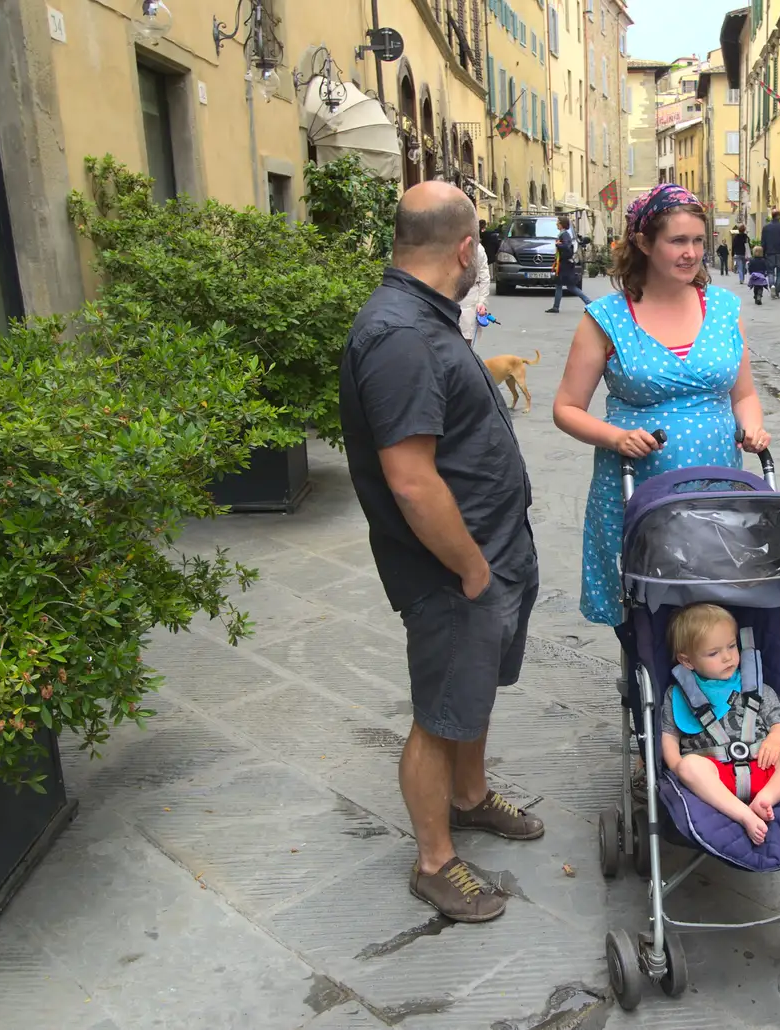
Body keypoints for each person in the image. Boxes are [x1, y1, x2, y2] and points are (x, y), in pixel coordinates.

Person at [340, 182, 543, 923]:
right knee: (439, 711)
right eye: (481, 244)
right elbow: (411, 479)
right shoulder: (399, 335)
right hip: (453, 567)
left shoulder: (425, 316)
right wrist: (469, 565)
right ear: (465, 248)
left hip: (491, 547)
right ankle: (434, 859)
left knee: (473, 693)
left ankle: (469, 795)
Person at [551, 182, 771, 633]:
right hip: (637, 486)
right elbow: (566, 407)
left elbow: (744, 394)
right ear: (644, 242)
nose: (691, 253)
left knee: (716, 609)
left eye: (697, 241)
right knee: (645, 611)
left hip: (716, 486)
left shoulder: (725, 309)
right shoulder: (607, 318)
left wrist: (752, 427)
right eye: (677, 241)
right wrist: (616, 437)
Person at [662, 604, 780, 845]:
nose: (727, 657)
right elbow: (669, 737)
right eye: (713, 653)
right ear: (687, 661)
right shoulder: (679, 695)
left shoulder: (755, 685)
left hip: (765, 766)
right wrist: (678, 770)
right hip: (717, 776)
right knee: (689, 766)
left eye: (732, 646)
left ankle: (766, 799)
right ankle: (743, 814)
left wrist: (773, 740)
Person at [547, 215, 593, 314]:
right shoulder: (563, 234)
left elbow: (567, 246)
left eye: (558, 222)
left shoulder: (565, 235)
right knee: (560, 284)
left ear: (561, 224)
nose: (556, 224)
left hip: (565, 265)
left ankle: (589, 303)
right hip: (563, 264)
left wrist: (558, 244)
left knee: (570, 286)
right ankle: (556, 307)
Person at [460, 238, 492, 346]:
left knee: (467, 340)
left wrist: (482, 301)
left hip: (471, 300)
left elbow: (484, 277)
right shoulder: (446, 246)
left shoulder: (478, 249)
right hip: (451, 299)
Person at [760, 210, 780, 299]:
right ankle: (777, 292)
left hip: (769, 253)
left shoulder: (766, 228)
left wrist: (763, 252)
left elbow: (763, 242)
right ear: (779, 216)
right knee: (779, 273)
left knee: (770, 272)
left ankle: (772, 286)